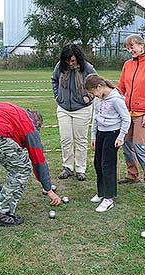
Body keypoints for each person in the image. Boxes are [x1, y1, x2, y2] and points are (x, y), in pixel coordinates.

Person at [0, 102, 62, 227]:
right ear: (38, 123)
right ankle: (1, 213)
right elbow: (38, 160)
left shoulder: (15, 112)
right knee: (22, 168)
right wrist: (48, 189)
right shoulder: (29, 124)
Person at [117, 34, 145, 195]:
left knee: (140, 147)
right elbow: (121, 87)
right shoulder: (127, 65)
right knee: (127, 145)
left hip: (142, 114)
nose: (130, 50)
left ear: (142, 46)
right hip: (126, 114)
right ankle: (132, 174)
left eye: (132, 47)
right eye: (128, 48)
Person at [85, 74, 131, 212]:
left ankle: (109, 198)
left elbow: (126, 119)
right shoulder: (98, 99)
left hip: (113, 135)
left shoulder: (116, 99)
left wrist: (121, 137)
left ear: (99, 87)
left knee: (107, 165)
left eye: (93, 92)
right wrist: (93, 136)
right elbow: (95, 118)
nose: (93, 95)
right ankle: (101, 192)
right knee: (97, 163)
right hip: (100, 133)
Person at [51, 44, 96, 181]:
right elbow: (54, 80)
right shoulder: (60, 66)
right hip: (63, 108)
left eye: (72, 60)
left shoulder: (87, 68)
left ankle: (80, 169)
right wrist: (58, 96)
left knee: (81, 140)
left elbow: (96, 83)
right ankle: (67, 167)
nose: (69, 63)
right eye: (67, 60)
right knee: (65, 139)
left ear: (78, 57)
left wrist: (89, 97)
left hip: (82, 109)